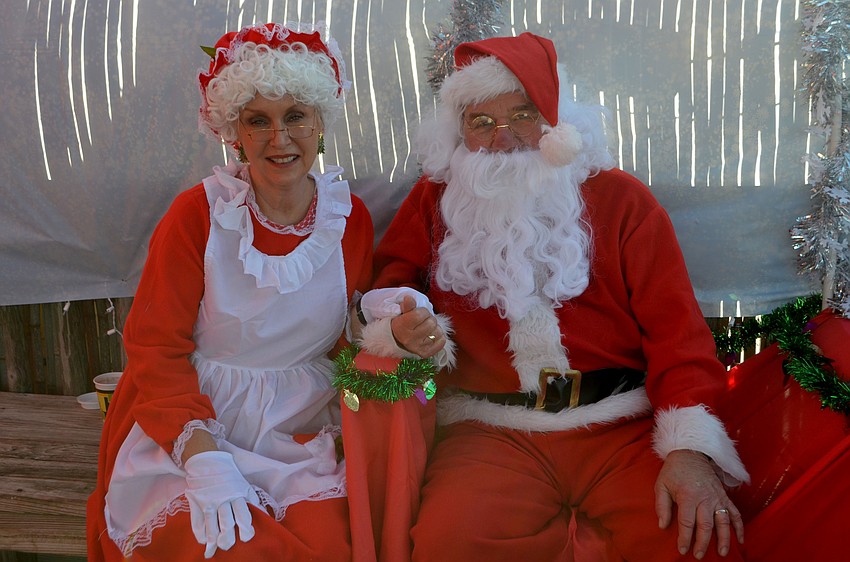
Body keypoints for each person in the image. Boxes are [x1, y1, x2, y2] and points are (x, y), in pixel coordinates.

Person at [371, 32, 751, 561]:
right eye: (482, 123)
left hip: (621, 429)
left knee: (696, 540)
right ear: (458, 133)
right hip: (491, 435)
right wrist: (399, 324)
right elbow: (388, 289)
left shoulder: (622, 200)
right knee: (448, 544)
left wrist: (688, 449)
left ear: (555, 121)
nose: (503, 138)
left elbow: (677, 334)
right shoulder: (434, 203)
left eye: (523, 115)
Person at [86, 22, 382, 561]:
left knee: (332, 544)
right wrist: (203, 459)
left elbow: (348, 338)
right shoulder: (196, 215)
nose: (279, 138)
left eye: (295, 116)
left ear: (320, 123)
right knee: (228, 547)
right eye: (257, 121)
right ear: (233, 132)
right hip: (193, 425)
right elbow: (155, 348)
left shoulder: (349, 217)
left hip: (299, 431)